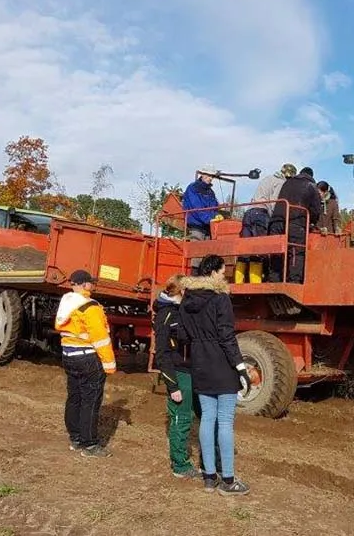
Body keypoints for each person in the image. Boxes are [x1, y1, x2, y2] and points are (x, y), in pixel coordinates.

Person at [178, 254, 252, 496]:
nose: (224, 276)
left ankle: (209, 477)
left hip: (200, 364)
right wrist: (240, 367)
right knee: (225, 421)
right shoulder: (221, 298)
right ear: (212, 272)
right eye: (222, 272)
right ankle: (228, 480)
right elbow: (227, 336)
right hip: (222, 364)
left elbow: (183, 335)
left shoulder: (187, 299)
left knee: (207, 419)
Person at [55, 269, 116, 458]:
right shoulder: (90, 307)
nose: (93, 285)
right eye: (91, 282)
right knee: (90, 400)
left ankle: (75, 438)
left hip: (68, 355)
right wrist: (109, 364)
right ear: (84, 284)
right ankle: (89, 444)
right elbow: (100, 338)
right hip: (88, 358)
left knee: (74, 397)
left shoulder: (67, 302)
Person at [152, 274, 200, 480]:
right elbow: (162, 355)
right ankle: (180, 464)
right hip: (179, 374)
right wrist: (173, 386)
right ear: (181, 291)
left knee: (191, 416)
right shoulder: (165, 316)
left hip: (190, 371)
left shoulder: (180, 311)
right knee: (181, 418)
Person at [236, 163, 297, 282]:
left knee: (244, 250)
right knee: (258, 250)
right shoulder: (280, 183)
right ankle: (255, 284)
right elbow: (274, 202)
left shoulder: (267, 178)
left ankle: (238, 282)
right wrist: (276, 218)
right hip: (261, 213)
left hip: (249, 213)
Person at [267, 167, 323, 283]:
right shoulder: (311, 186)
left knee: (277, 252)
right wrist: (312, 222)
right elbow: (316, 210)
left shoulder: (287, 182)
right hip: (295, 222)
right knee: (296, 252)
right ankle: (294, 282)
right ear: (311, 176)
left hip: (276, 221)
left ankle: (274, 281)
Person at [182, 165, 220, 274]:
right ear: (202, 175)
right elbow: (196, 208)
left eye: (212, 176)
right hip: (196, 225)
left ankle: (203, 277)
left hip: (207, 225)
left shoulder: (210, 192)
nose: (210, 178)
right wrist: (210, 219)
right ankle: (194, 277)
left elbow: (214, 207)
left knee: (207, 253)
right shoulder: (193, 188)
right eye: (208, 175)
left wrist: (216, 216)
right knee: (197, 253)